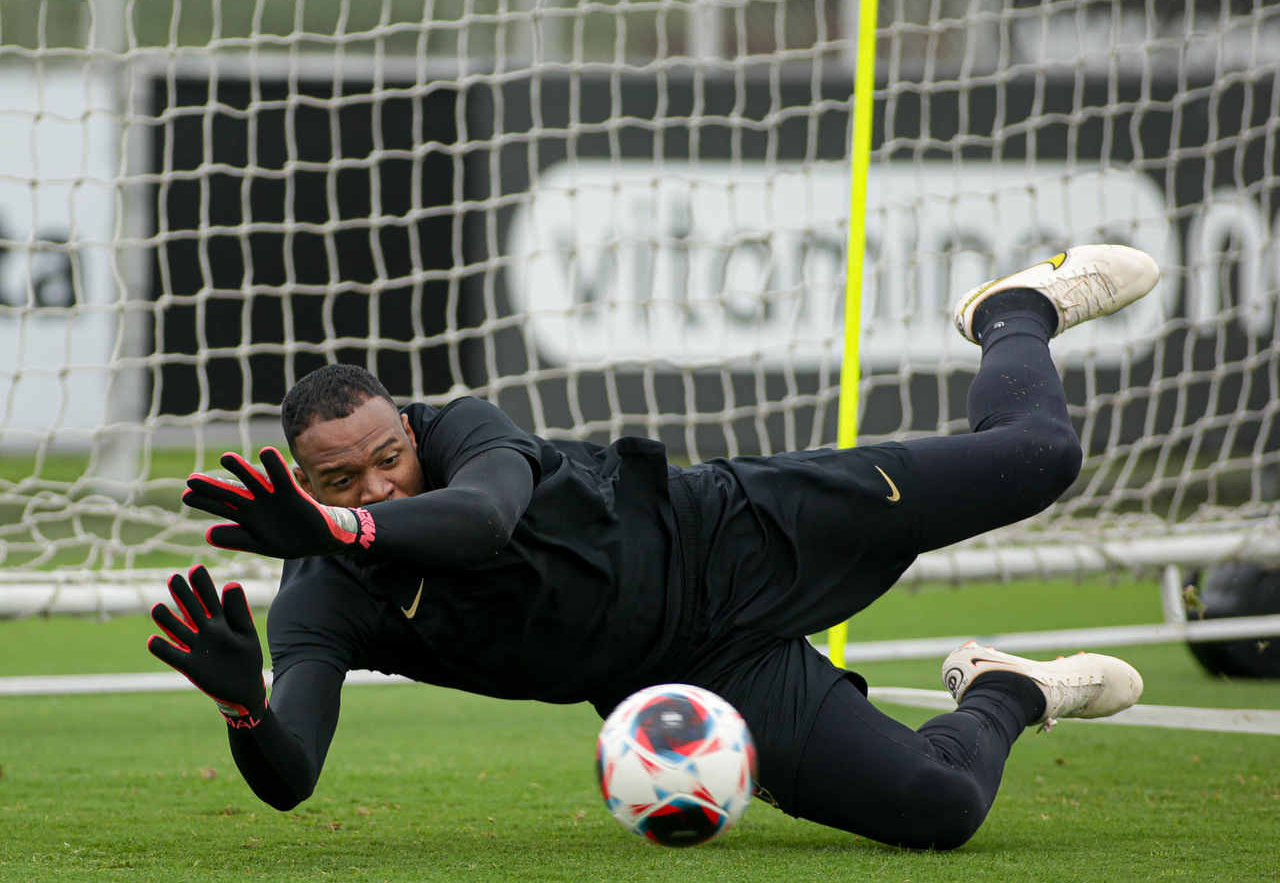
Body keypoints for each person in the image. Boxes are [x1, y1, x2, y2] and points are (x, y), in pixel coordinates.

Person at [149, 243, 1156, 850]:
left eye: (387, 458)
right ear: (303, 480)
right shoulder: (323, 598)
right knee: (937, 810)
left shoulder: (460, 430)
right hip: (692, 670)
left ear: (407, 432)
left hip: (732, 528)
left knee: (1036, 455)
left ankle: (1010, 311)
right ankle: (1008, 689)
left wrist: (337, 521)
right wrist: (245, 706)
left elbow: (482, 520)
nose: (377, 483)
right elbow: (292, 778)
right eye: (340, 479)